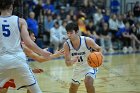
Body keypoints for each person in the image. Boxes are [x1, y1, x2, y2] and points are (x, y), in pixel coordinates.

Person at [0, 0, 52, 93]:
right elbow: (28, 42)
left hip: (2, 61)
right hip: (19, 61)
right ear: (12, 6)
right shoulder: (20, 21)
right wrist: (42, 52)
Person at [63, 22, 102, 93]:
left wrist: (98, 57)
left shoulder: (87, 40)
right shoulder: (66, 45)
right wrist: (72, 61)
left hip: (90, 66)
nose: (69, 35)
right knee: (72, 89)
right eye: (67, 33)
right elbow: (67, 63)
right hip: (78, 67)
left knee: (88, 82)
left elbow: (99, 49)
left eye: (71, 33)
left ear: (77, 31)